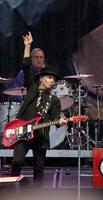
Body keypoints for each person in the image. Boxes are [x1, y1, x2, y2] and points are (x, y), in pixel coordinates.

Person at [10, 32, 67, 186]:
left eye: (54, 80)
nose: (52, 81)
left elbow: (56, 119)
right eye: (50, 78)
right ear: (41, 78)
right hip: (22, 131)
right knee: (17, 161)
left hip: (41, 135)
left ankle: (37, 194)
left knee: (39, 168)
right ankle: (10, 188)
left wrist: (61, 121)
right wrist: (27, 46)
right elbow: (26, 64)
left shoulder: (54, 100)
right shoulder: (33, 87)